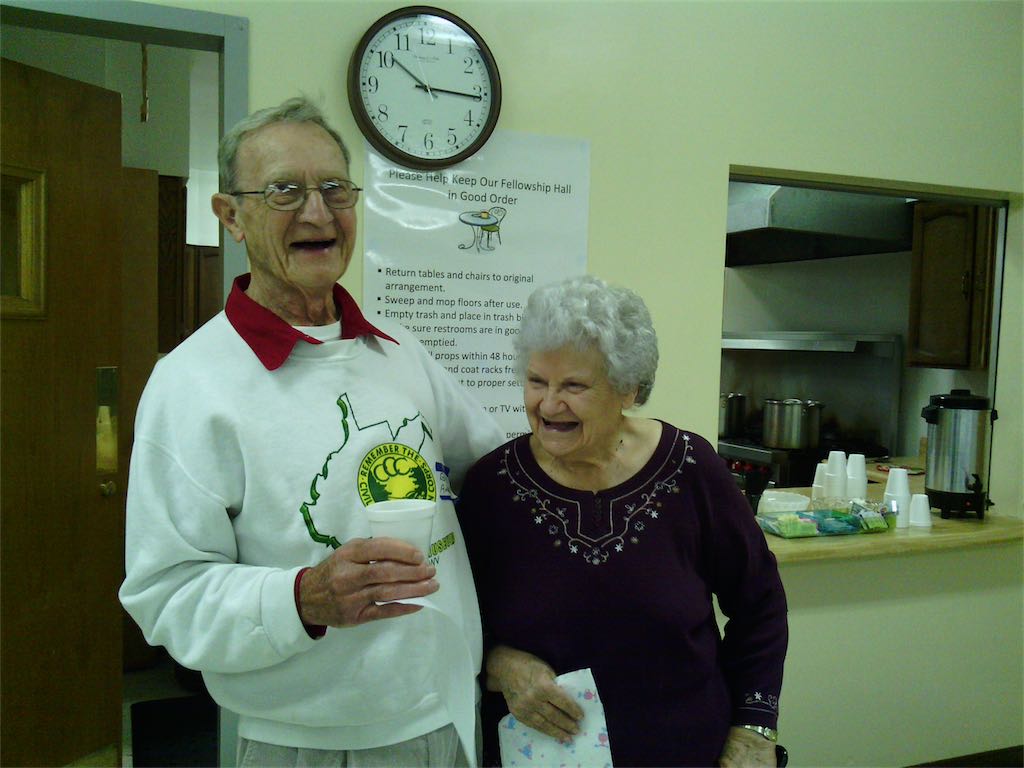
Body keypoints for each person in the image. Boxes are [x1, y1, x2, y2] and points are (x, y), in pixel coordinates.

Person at [119, 97, 504, 767]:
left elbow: (501, 476)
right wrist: (302, 598)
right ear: (230, 215)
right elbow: (167, 597)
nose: (318, 213)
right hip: (309, 745)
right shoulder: (191, 384)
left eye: (334, 189)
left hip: (447, 715)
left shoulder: (400, 353)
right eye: (284, 191)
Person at [457, 276, 788, 768]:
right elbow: (456, 621)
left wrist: (753, 726)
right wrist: (499, 664)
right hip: (542, 754)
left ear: (628, 389)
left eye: (574, 386)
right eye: (536, 381)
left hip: (686, 750)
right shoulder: (491, 486)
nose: (548, 405)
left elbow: (759, 602)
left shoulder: (692, 468)